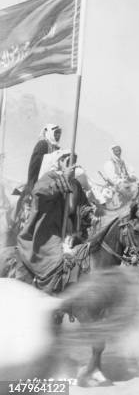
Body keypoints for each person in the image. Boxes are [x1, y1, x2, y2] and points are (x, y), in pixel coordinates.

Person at [15, 150, 92, 293]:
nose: (72, 165)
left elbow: (83, 206)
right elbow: (40, 194)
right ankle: (47, 294)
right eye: (68, 161)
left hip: (71, 232)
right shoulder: (50, 177)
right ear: (60, 162)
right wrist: (61, 182)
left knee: (86, 258)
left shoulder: (75, 184)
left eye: (74, 161)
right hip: (49, 230)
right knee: (56, 262)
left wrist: (90, 215)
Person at [26, 124, 62, 190]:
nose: (58, 135)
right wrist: (32, 184)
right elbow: (34, 166)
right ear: (50, 133)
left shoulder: (57, 148)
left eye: (59, 133)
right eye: (56, 132)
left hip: (50, 181)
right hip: (39, 181)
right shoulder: (43, 144)